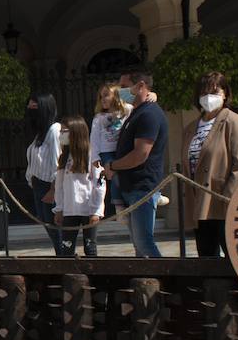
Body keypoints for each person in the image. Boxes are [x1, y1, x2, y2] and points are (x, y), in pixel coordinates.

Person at [183, 71, 238, 257]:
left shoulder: (234, 122)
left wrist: (229, 197)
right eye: (204, 93)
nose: (209, 97)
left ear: (225, 94)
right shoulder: (191, 127)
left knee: (235, 256)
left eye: (215, 92)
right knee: (206, 257)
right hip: (200, 201)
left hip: (223, 201)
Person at [103, 70, 168, 258]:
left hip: (143, 187)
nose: (120, 91)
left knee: (144, 242)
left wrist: (113, 166)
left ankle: (164, 276)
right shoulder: (136, 111)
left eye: (124, 86)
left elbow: (140, 155)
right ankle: (147, 281)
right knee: (138, 246)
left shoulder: (149, 114)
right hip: (131, 187)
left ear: (140, 86)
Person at [53, 116, 105, 257]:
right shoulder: (65, 156)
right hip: (69, 210)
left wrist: (96, 210)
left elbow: (99, 184)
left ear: (75, 133)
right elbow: (59, 186)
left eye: (64, 131)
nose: (61, 135)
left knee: (90, 247)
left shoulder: (91, 155)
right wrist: (59, 209)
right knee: (67, 247)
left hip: (88, 209)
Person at [88, 82, 131, 242]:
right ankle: (119, 207)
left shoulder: (126, 111)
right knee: (114, 176)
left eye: (106, 94)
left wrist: (152, 95)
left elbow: (137, 101)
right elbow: (94, 138)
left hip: (122, 150)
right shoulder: (99, 118)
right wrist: (95, 157)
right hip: (107, 152)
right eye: (101, 96)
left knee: (125, 174)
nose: (103, 98)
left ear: (116, 95)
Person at [24, 92, 63, 253]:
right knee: (47, 224)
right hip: (38, 184)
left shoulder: (54, 130)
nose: (30, 111)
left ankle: (63, 256)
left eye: (34, 107)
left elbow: (57, 161)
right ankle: (60, 254)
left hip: (49, 185)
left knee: (54, 225)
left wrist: (53, 189)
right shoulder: (40, 134)